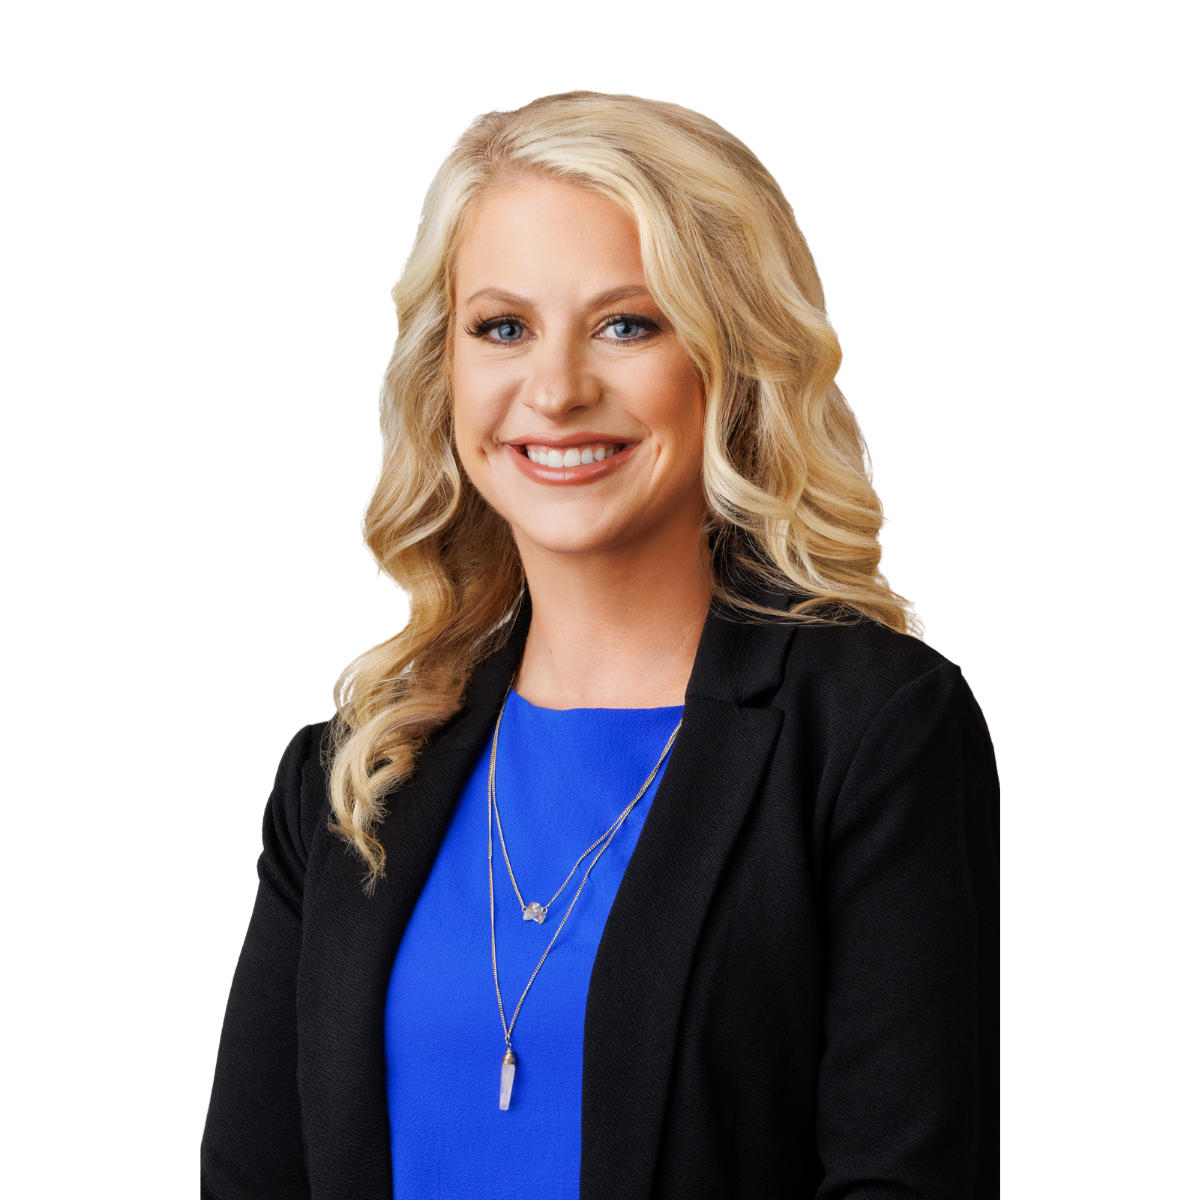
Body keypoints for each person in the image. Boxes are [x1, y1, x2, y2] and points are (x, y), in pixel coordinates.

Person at [201, 91, 1000, 1200]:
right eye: (503, 328)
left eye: (627, 324)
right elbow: (252, 1179)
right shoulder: (353, 769)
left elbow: (904, 1181)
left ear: (733, 359)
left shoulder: (873, 732)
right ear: (444, 372)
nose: (557, 390)